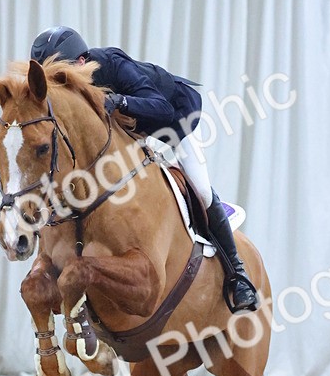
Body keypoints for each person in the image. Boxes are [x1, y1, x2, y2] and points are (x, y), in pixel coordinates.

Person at [30, 26, 259, 312]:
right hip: (134, 130)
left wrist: (120, 101)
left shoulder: (112, 66)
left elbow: (161, 108)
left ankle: (237, 275)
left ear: (81, 62)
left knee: (200, 188)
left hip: (175, 119)